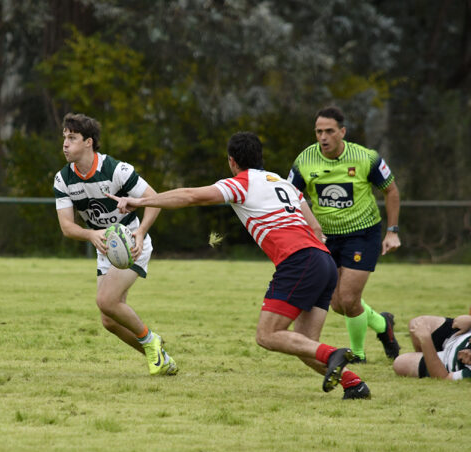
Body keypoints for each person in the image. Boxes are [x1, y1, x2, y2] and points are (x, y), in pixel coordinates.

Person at [108, 131, 370, 398]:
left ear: (232, 162)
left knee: (267, 335)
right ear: (260, 157)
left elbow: (189, 196)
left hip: (300, 260)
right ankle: (355, 385)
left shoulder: (240, 183)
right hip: (322, 260)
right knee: (303, 345)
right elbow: (314, 227)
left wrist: (140, 201)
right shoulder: (284, 183)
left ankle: (334, 354)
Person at [53, 113, 177, 376]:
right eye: (64, 137)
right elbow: (67, 226)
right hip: (105, 247)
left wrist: (141, 233)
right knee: (108, 319)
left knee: (105, 300)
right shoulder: (63, 179)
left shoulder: (118, 171)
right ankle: (160, 357)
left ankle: (151, 340)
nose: (65, 143)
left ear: (88, 142)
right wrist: (90, 235)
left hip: (130, 243)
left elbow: (154, 200)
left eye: (72, 138)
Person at [287, 106, 401, 364]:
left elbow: (391, 190)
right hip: (325, 238)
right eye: (318, 132)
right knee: (338, 304)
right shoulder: (305, 160)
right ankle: (383, 324)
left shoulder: (365, 158)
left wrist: (392, 231)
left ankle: (358, 354)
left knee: (348, 299)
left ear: (342, 132)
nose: (323, 137)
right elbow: (291, 196)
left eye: (329, 131)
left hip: (362, 234)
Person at [393, 312, 471, 380]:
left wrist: (426, 339)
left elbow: (444, 378)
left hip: (446, 362)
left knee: (400, 364)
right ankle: (428, 358)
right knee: (417, 323)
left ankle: (430, 361)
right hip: (461, 335)